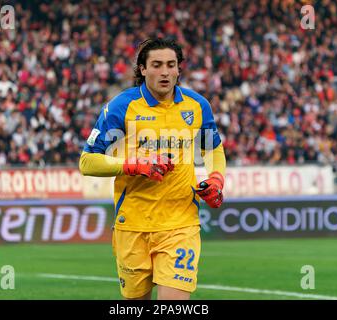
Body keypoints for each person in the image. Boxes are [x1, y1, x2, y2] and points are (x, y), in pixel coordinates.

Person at [79, 38, 226, 300]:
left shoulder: (197, 106)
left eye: (171, 65)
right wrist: (132, 165)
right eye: (156, 65)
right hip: (133, 224)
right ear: (143, 69)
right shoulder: (121, 107)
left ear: (179, 69)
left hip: (180, 223)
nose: (165, 72)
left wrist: (216, 179)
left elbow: (212, 149)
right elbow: (88, 162)